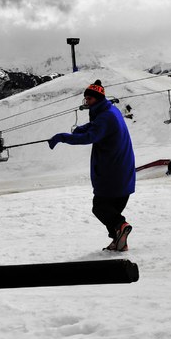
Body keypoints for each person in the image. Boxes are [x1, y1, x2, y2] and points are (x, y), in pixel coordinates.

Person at [48, 79, 135, 251]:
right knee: (110, 209)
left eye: (89, 98)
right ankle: (119, 241)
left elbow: (90, 136)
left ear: (98, 98)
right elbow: (96, 125)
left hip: (112, 172)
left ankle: (121, 225)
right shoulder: (110, 111)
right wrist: (82, 128)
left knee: (100, 207)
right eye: (86, 98)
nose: (87, 102)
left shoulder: (106, 117)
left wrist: (63, 137)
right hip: (122, 171)